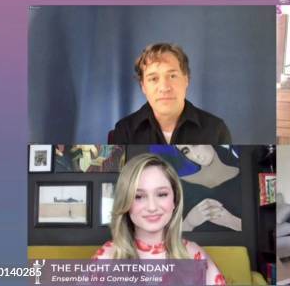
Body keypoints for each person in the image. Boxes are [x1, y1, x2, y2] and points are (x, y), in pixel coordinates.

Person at [94, 153, 226, 285]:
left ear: (175, 200)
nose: (152, 207)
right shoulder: (106, 258)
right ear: (126, 202)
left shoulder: (194, 255)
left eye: (162, 194)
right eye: (138, 196)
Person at [111, 43, 231, 144]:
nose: (164, 87)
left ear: (187, 80)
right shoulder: (124, 131)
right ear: (143, 86)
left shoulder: (216, 130)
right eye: (153, 78)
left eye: (172, 76)